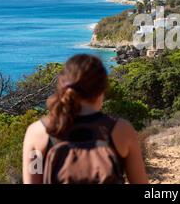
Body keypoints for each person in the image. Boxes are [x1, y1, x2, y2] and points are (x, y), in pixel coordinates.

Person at [22, 54, 148, 184]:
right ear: (101, 90)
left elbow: (32, 180)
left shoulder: (37, 132)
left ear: (62, 86)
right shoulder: (121, 130)